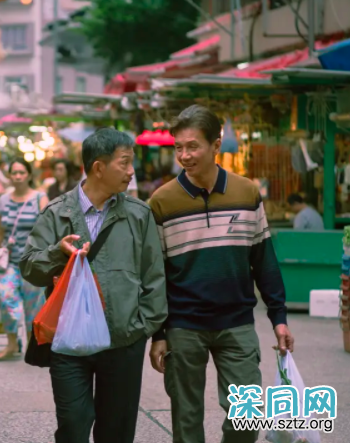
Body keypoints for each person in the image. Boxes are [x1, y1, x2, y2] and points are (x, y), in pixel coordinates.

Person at [148, 105, 294, 443]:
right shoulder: (161, 202)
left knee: (248, 414)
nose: (184, 155)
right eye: (178, 147)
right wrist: (158, 333)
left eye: (193, 146)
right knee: (187, 421)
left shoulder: (246, 193)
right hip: (184, 326)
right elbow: (155, 274)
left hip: (237, 323)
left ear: (216, 145)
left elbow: (264, 260)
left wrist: (279, 317)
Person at [19, 128, 167, 443]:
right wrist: (56, 253)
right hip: (69, 341)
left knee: (117, 430)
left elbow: (155, 277)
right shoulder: (57, 212)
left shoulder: (139, 215)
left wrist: (142, 328)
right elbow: (30, 269)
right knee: (73, 425)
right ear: (98, 167)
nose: (131, 172)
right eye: (124, 163)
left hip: (122, 341)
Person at [0, 158, 49, 360]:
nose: (17, 177)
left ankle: (31, 346)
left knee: (33, 306)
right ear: (9, 176)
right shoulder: (3, 201)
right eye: (14, 173)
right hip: (9, 263)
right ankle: (12, 343)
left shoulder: (39, 199)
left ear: (29, 175)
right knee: (6, 298)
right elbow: (0, 232)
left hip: (33, 263)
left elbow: (47, 231)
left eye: (21, 173)